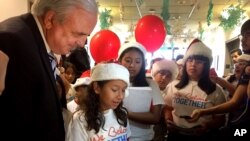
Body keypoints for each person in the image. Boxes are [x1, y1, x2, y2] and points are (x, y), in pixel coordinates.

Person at [0, 0, 98, 140]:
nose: (82, 44)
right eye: (77, 34)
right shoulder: (12, 42)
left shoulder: (35, 39)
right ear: (50, 19)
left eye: (86, 36)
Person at [190, 19, 250, 139]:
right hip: (237, 126)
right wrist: (203, 112)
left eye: (248, 35)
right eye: (242, 35)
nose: (243, 40)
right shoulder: (247, 69)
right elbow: (235, 102)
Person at [164, 39, 226, 141]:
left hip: (202, 136)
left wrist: (208, 126)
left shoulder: (216, 90)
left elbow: (220, 119)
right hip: (176, 135)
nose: (193, 64)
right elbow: (168, 108)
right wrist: (168, 119)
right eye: (190, 60)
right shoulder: (173, 86)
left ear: (206, 66)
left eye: (199, 61)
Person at [66, 63, 131, 141]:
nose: (120, 96)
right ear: (97, 87)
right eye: (114, 89)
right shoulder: (81, 120)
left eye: (123, 90)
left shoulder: (121, 114)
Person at [118, 42, 165, 141]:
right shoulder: (113, 83)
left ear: (143, 63)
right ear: (120, 61)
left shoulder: (151, 84)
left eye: (137, 62)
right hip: (116, 136)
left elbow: (155, 117)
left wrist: (125, 113)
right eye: (128, 60)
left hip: (143, 137)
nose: (132, 65)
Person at [150, 59, 179, 141]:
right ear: (154, 74)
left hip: (162, 129)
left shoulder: (173, 92)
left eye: (168, 76)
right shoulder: (146, 89)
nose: (164, 78)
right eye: (161, 73)